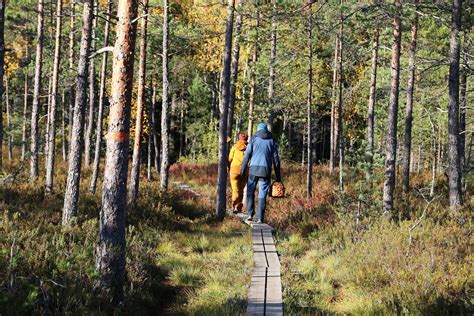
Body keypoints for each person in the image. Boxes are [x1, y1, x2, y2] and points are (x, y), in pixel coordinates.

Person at [240, 122, 281, 223]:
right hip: (265, 170)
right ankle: (259, 218)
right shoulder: (272, 141)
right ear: (266, 130)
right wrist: (278, 176)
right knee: (262, 193)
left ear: (258, 130)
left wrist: (242, 170)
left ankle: (250, 214)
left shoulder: (253, 139)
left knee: (250, 191)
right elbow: (276, 159)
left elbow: (247, 156)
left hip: (253, 169)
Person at [228, 133, 249, 213]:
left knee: (235, 190)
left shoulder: (234, 147)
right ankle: (239, 208)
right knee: (241, 190)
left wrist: (228, 166)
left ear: (239, 139)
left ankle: (234, 207)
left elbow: (229, 159)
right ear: (246, 139)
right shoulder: (248, 148)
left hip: (234, 171)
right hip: (244, 171)